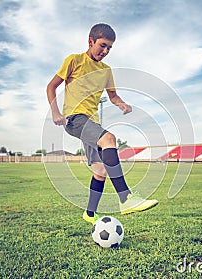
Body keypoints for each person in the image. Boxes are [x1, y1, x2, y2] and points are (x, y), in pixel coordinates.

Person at [46, 23, 158, 224]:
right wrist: (55, 112)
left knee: (100, 170)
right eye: (102, 45)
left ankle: (89, 213)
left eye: (109, 48)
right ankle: (126, 198)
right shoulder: (75, 60)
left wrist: (122, 104)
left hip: (91, 121)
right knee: (109, 138)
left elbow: (113, 96)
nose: (105, 51)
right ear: (91, 41)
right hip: (74, 118)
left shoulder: (106, 71)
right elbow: (51, 86)